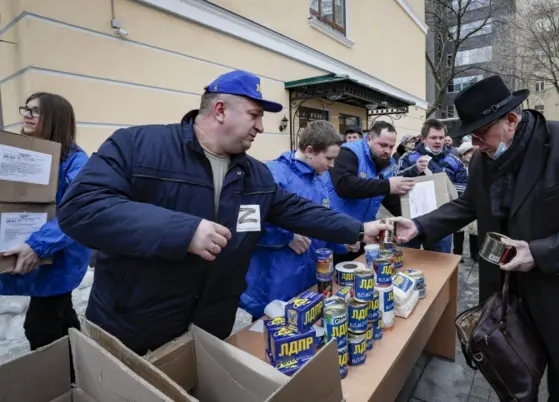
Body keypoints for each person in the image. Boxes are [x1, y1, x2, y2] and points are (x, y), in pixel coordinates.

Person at [56, 70, 388, 355]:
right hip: (132, 330)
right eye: (254, 115)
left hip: (209, 328)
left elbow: (296, 209)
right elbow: (81, 207)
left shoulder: (254, 174)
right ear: (220, 110)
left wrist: (358, 230)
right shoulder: (138, 145)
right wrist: (183, 232)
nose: (260, 126)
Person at [394, 75, 559, 402]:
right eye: (471, 136)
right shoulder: (483, 158)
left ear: (511, 120)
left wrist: (539, 252)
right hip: (511, 301)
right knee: (515, 386)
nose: (475, 145)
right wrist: (419, 226)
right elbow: (468, 205)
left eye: (481, 134)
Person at [0, 93, 91, 350]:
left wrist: (38, 245)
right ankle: (81, 367)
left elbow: (80, 209)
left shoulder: (75, 161)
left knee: (40, 326)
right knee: (61, 315)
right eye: (26, 109)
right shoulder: (21, 154)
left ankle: (60, 380)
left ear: (55, 118)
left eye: (35, 111)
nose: (27, 115)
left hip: (59, 255)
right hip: (33, 248)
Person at [240, 120, 358, 318]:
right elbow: (246, 224)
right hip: (274, 283)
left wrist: (342, 242)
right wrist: (286, 237)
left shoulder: (320, 178)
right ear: (310, 150)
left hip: (308, 278)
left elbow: (323, 220)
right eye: (329, 158)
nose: (332, 165)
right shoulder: (272, 174)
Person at [323, 121, 415, 262]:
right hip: (336, 230)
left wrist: (414, 219)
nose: (388, 151)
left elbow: (388, 198)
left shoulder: (388, 163)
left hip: (364, 233)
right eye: (383, 145)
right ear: (369, 139)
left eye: (391, 146)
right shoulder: (347, 152)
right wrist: (387, 185)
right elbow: (344, 186)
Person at [397, 119, 468, 253]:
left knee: (439, 264)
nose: (438, 141)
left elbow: (463, 188)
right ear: (423, 139)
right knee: (408, 263)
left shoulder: (455, 162)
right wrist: (414, 170)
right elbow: (395, 182)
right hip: (411, 220)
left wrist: (446, 195)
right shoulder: (408, 158)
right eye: (433, 137)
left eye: (441, 137)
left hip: (441, 223)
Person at [452, 142, 478, 262]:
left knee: (474, 230)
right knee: (458, 230)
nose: (472, 154)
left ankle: (475, 253)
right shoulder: (458, 166)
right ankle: (457, 254)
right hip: (460, 200)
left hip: (474, 201)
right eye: (469, 152)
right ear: (463, 154)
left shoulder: (478, 166)